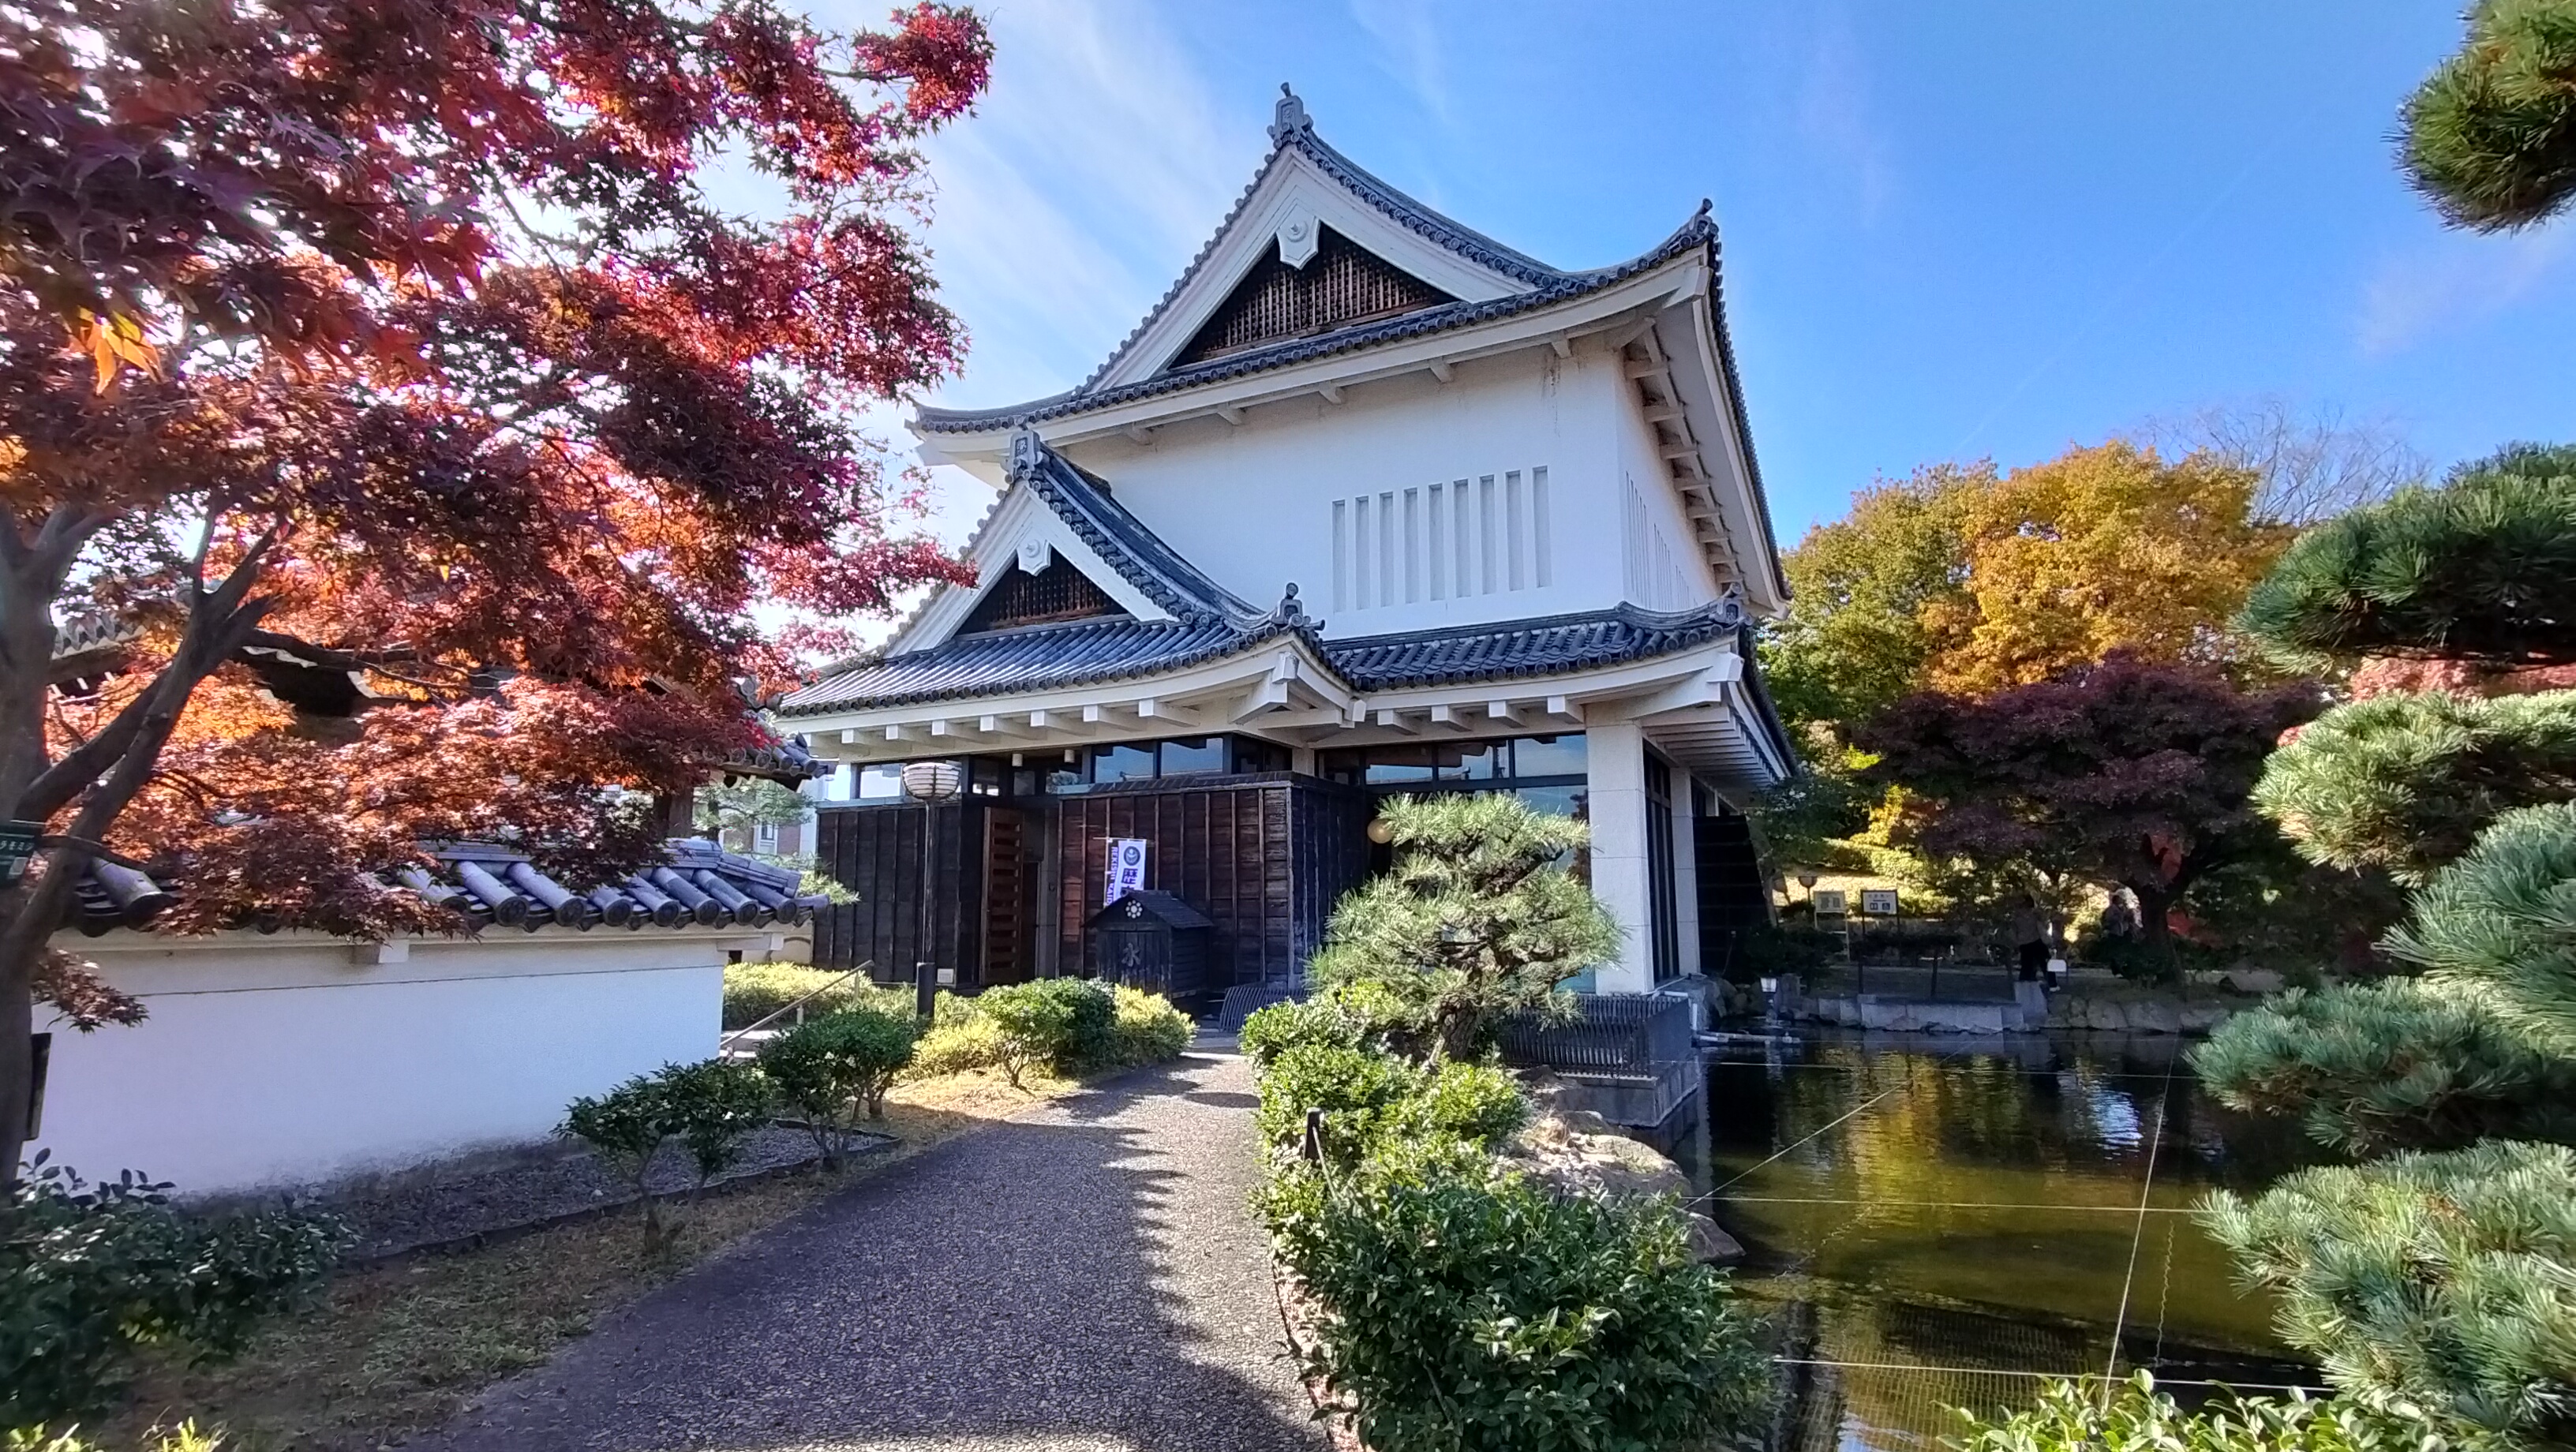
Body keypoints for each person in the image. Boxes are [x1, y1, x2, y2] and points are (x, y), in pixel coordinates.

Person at [2009, 894, 2049, 982]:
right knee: (2030, 963)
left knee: (2039, 962)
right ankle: (2027, 980)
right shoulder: (2018, 916)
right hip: (2028, 941)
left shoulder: (2032, 914)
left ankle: (2030, 980)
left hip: (2031, 940)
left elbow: (2043, 922)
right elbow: (2014, 929)